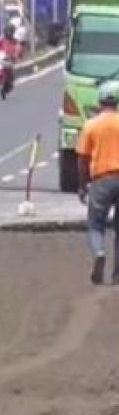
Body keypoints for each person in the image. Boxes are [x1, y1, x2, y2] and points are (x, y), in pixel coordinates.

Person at [75, 80, 119, 284]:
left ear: (99, 102)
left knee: (95, 225)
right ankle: (118, 274)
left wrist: (83, 186)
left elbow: (82, 160)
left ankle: (100, 252)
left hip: (102, 179)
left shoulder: (91, 126)